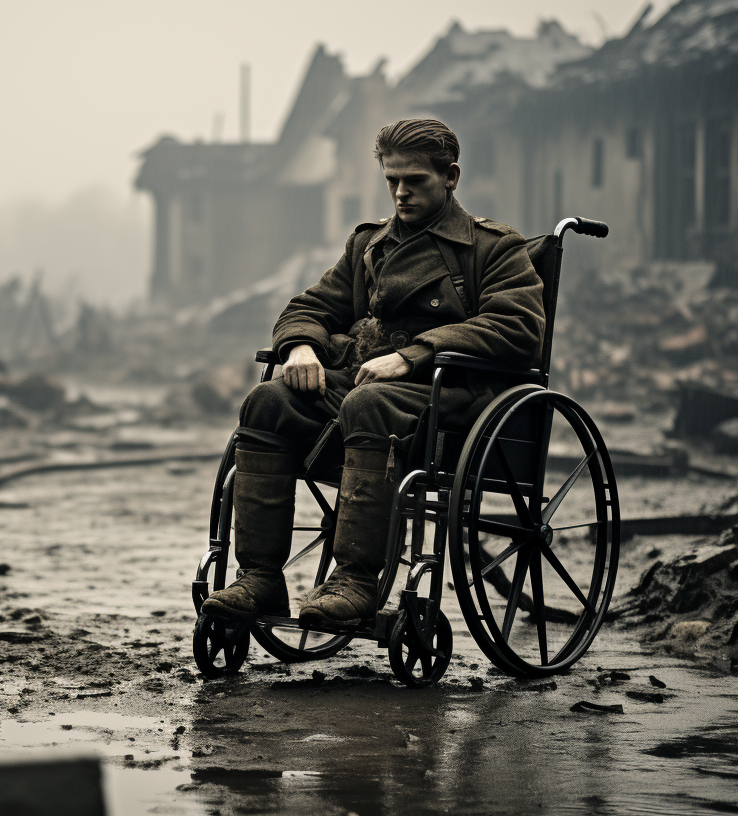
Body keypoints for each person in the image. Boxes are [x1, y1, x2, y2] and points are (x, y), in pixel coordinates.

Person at [200, 118, 545, 627]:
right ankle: (259, 580)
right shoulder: (368, 247)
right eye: (391, 181)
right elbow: (310, 305)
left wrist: (416, 354)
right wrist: (300, 347)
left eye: (415, 181)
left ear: (450, 176)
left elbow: (517, 326)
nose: (400, 193)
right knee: (266, 402)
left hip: (451, 394)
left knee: (368, 404)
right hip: (369, 386)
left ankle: (356, 581)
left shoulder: (493, 248)